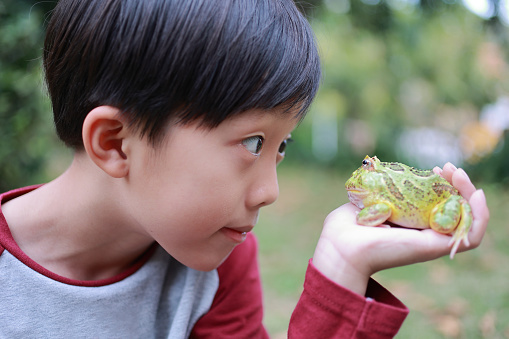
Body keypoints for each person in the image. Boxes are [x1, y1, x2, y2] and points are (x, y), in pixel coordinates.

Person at [0, 0, 489, 338]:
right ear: (115, 143)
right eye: (253, 141)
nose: (270, 192)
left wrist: (343, 266)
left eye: (281, 146)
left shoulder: (219, 265)